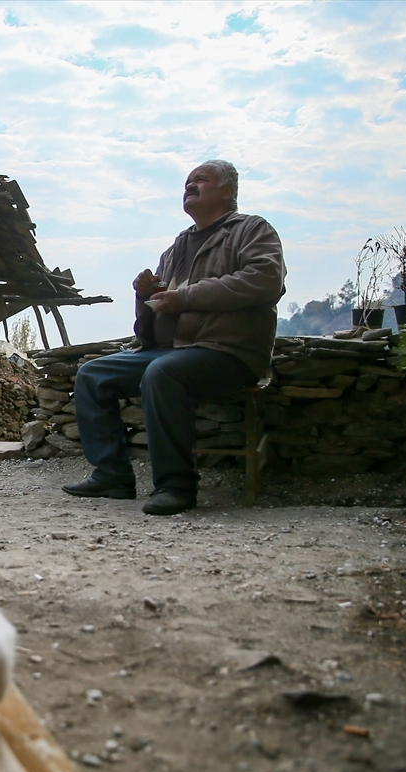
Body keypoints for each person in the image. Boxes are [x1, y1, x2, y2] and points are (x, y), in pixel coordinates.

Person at [62, 160, 286, 515]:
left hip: (227, 351)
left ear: (227, 191)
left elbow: (266, 280)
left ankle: (176, 485)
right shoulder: (176, 247)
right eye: (187, 182)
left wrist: (185, 297)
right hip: (171, 350)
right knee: (92, 374)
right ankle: (112, 475)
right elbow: (155, 318)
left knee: (163, 373)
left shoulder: (251, 230)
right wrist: (145, 296)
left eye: (201, 179)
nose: (190, 186)